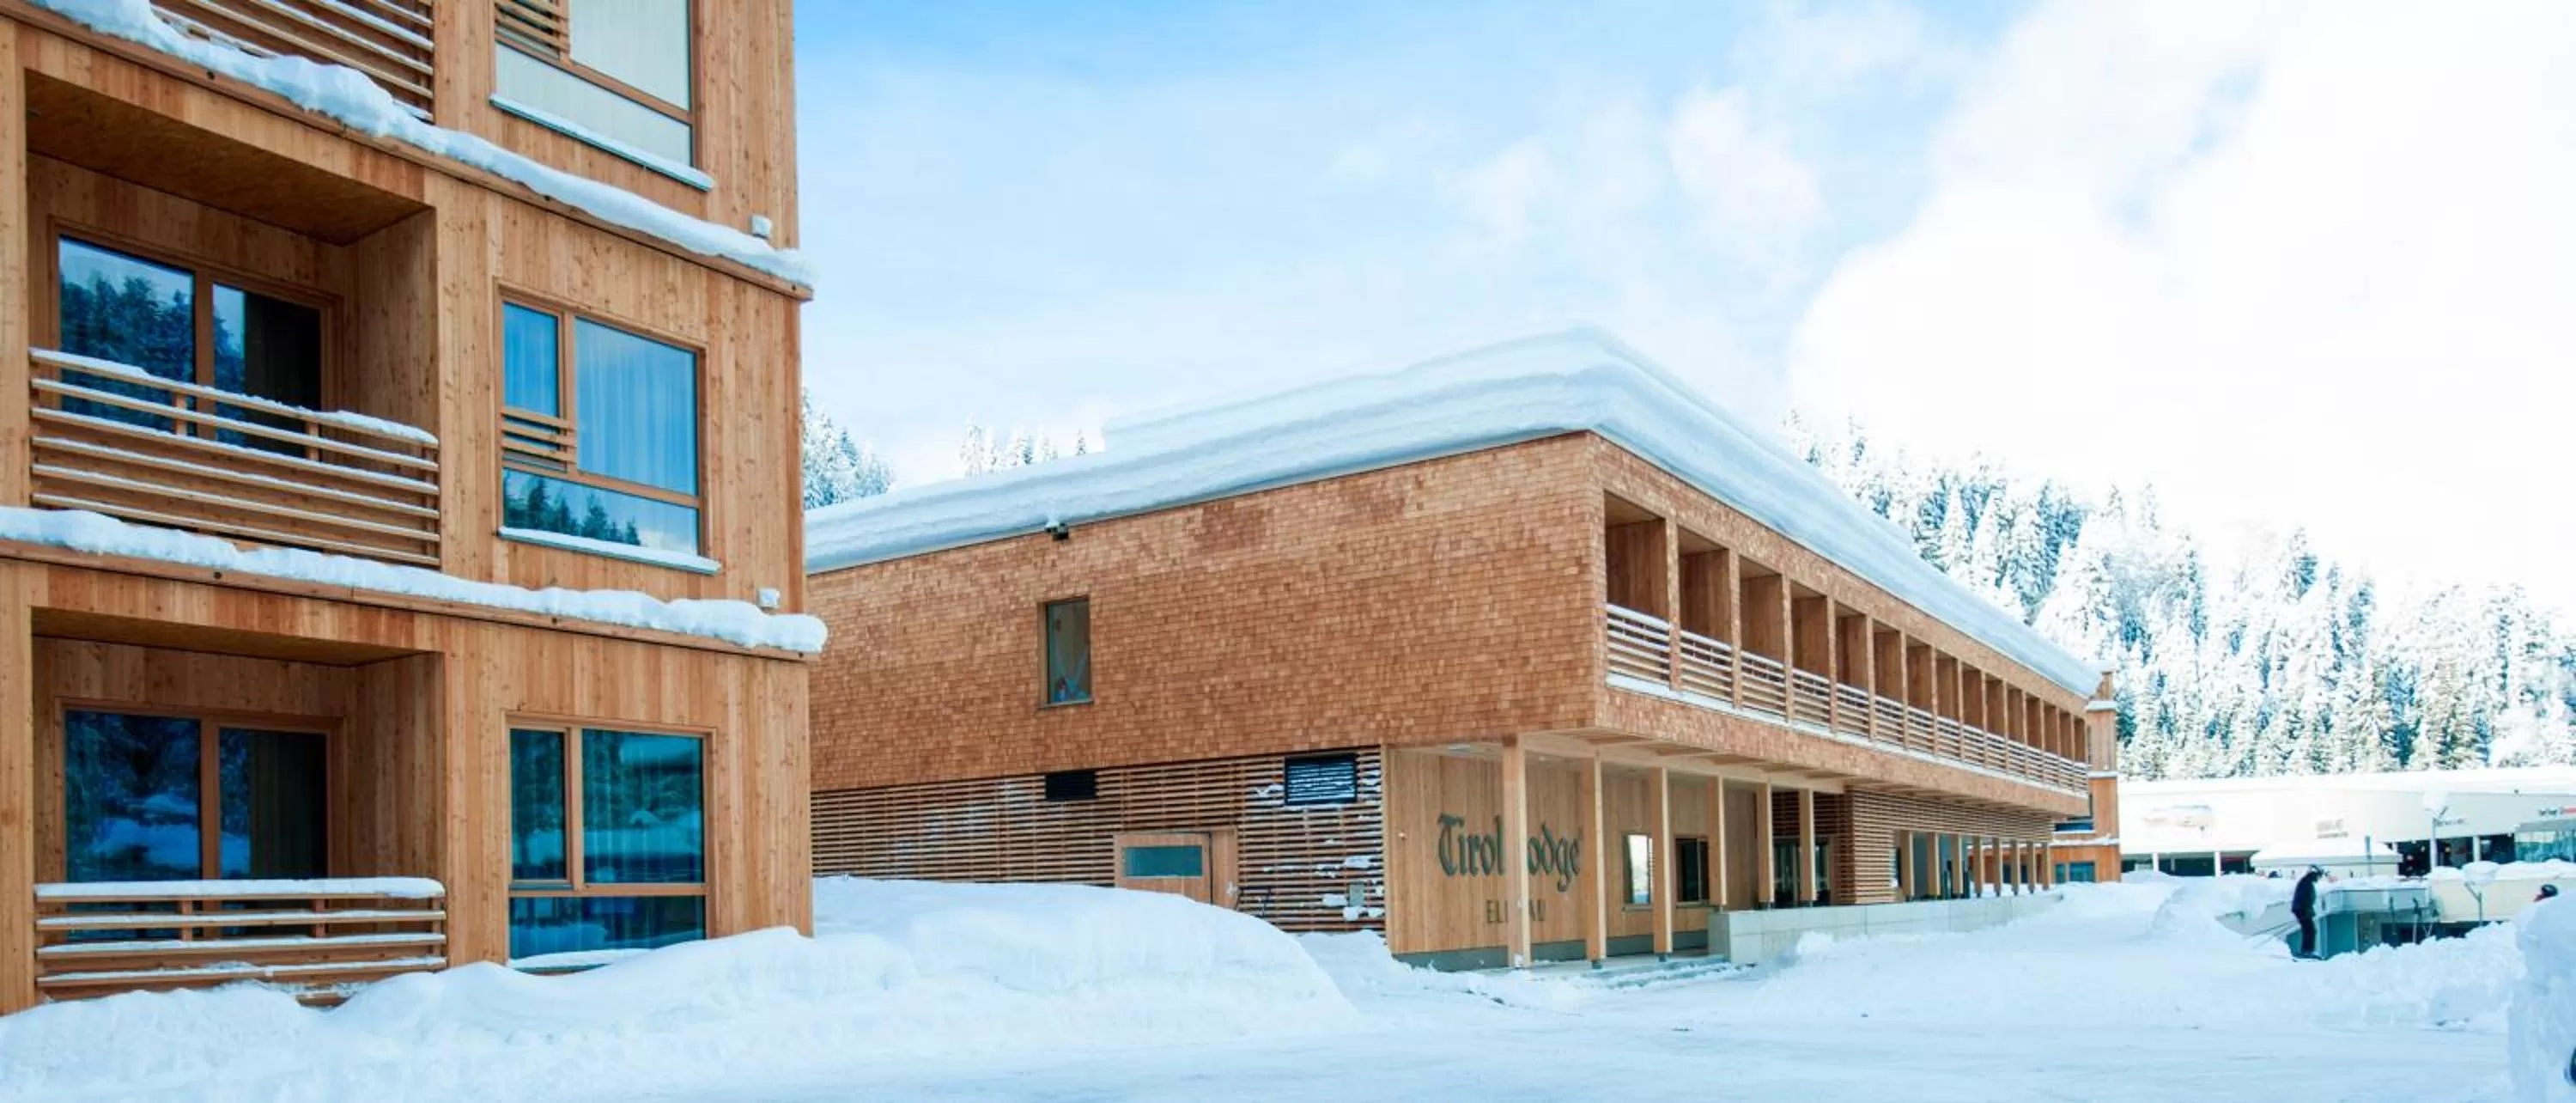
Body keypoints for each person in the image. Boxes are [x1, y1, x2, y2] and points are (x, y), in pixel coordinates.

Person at [2290, 866, 2324, 960]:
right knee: (2310, 930)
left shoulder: (2306, 882)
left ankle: (2307, 950)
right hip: (2302, 910)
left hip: (2303, 910)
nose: (2319, 878)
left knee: (2309, 930)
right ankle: (2307, 951)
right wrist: (2305, 911)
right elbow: (2303, 899)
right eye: (2318, 876)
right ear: (2314, 874)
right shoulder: (2306, 883)